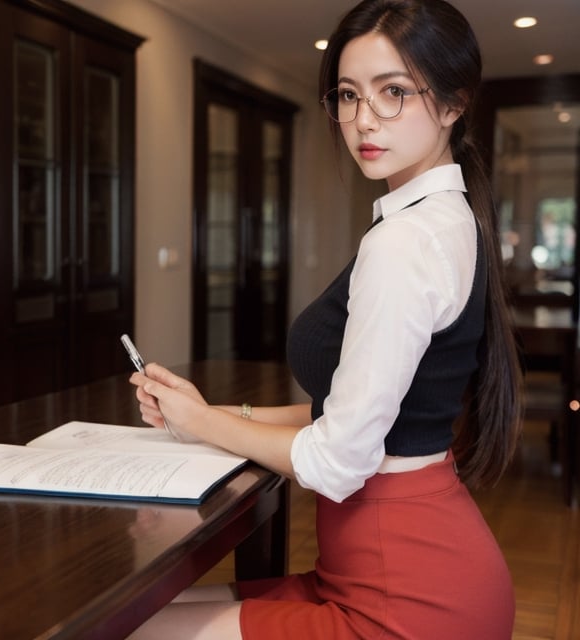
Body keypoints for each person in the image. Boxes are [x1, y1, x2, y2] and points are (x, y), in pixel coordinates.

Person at [128, 1, 523, 638]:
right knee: (138, 618)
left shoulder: (407, 242)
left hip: (407, 596)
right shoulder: (445, 221)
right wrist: (214, 415)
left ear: (454, 103)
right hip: (390, 568)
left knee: (135, 627)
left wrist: (200, 421)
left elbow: (339, 458)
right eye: (347, 94)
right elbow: (352, 411)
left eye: (393, 92)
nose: (363, 119)